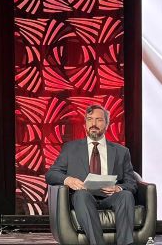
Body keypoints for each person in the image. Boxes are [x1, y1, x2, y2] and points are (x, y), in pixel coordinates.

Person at [46, 105, 137, 245]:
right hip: (83, 197)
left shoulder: (121, 151)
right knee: (82, 195)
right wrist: (68, 180)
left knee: (126, 195)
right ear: (85, 124)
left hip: (110, 197)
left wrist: (118, 188)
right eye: (90, 119)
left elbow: (131, 183)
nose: (93, 124)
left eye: (99, 120)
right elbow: (51, 174)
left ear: (107, 124)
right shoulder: (71, 148)